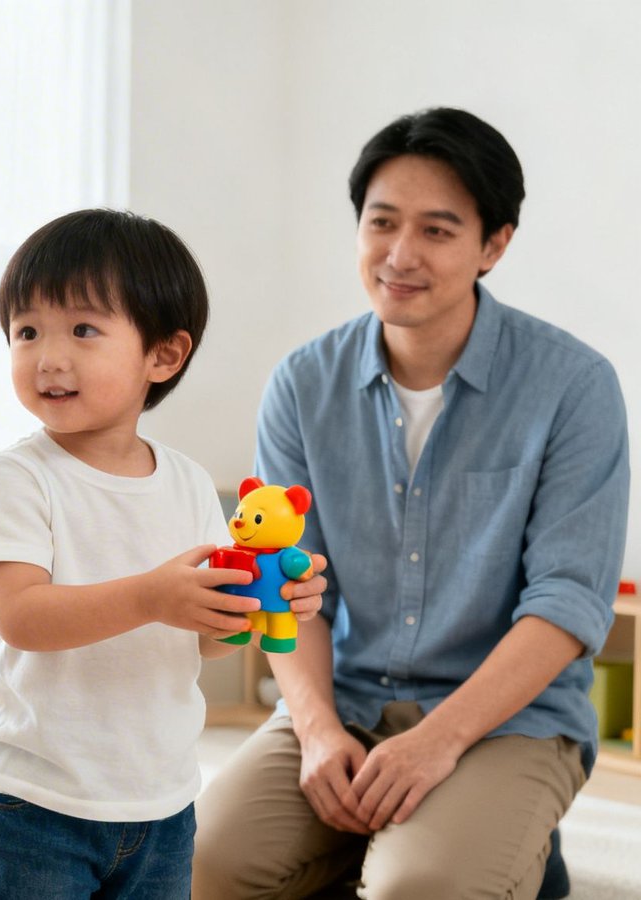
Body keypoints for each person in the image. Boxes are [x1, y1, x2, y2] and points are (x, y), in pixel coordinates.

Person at [193, 107, 630, 900]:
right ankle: (409, 838)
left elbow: (567, 604)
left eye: (437, 230)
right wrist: (319, 731)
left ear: (493, 245)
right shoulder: (302, 384)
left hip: (506, 722)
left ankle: (484, 839)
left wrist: (440, 742)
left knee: (417, 889)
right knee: (199, 864)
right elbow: (287, 589)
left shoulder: (574, 386)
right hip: (349, 703)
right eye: (381, 223)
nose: (400, 255)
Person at [0, 208, 327, 898]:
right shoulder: (16, 478)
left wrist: (261, 607)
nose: (48, 356)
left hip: (162, 798)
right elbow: (23, 619)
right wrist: (151, 596)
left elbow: (207, 643)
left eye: (83, 330)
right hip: (39, 800)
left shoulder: (185, 481)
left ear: (163, 355)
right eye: (26, 331)